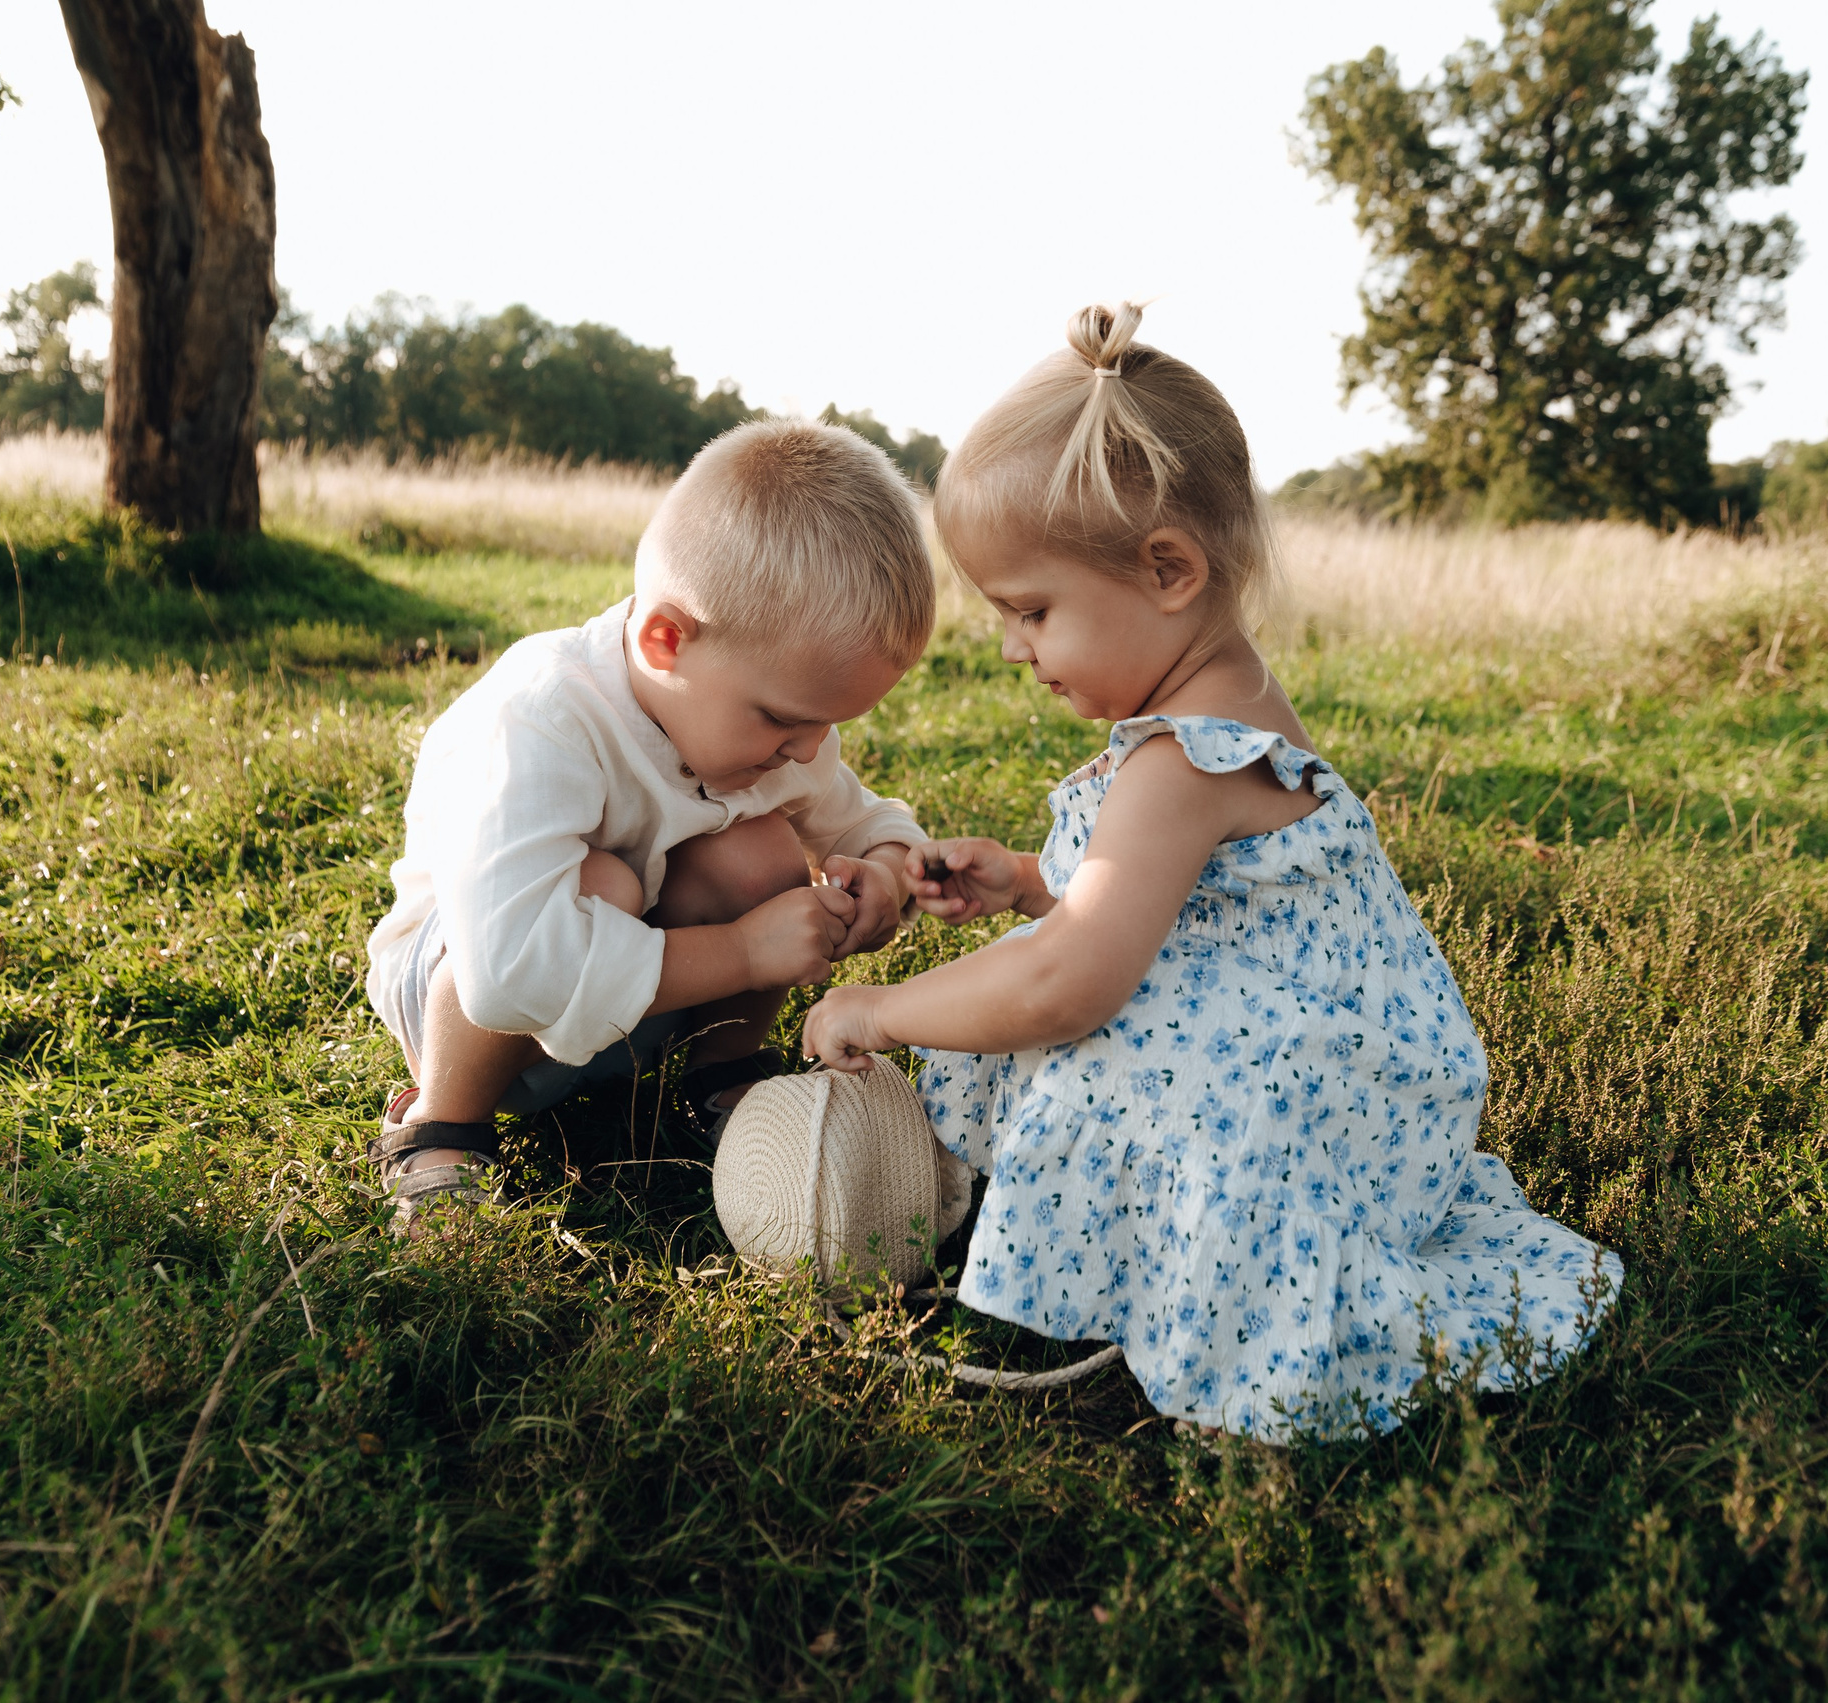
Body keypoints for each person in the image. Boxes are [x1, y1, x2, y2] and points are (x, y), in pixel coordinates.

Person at [800, 305, 1619, 1440]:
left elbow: (1066, 984)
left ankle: (1225, 1316)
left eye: (1032, 610)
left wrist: (882, 1006)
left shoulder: (1181, 759)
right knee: (1046, 971)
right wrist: (1040, 882)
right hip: (1373, 1079)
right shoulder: (1228, 697)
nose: (1011, 647)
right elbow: (1216, 908)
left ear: (1168, 569)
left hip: (1318, 1110)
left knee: (1056, 1024)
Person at [368, 420, 933, 1231]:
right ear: (667, 641)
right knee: (605, 883)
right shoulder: (544, 714)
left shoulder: (772, 738)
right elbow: (509, 969)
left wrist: (884, 870)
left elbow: (866, 818)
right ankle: (441, 1126)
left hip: (628, 1010)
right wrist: (744, 950)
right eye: (783, 719)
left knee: (760, 850)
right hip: (468, 1002)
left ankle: (723, 1076)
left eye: (826, 724)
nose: (809, 750)